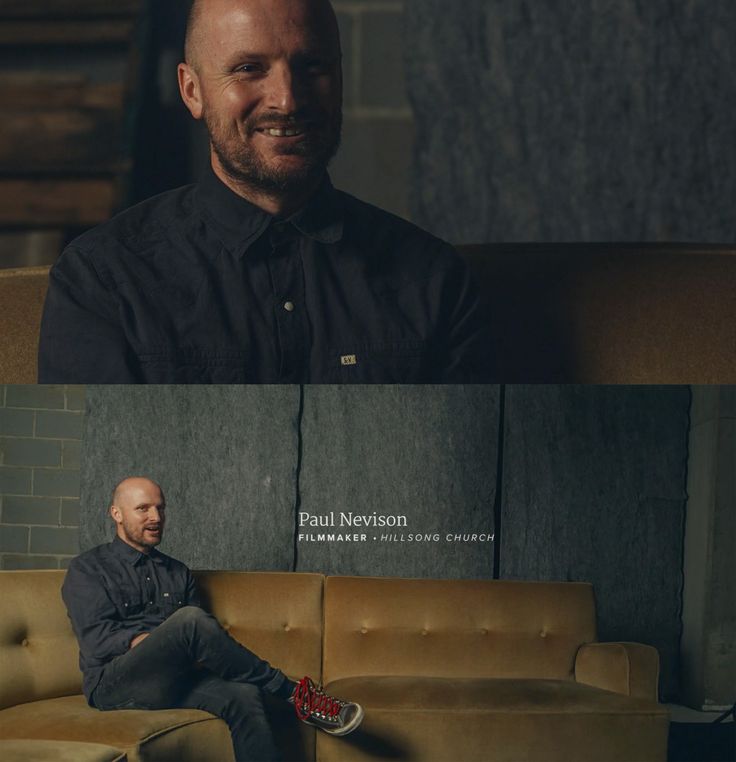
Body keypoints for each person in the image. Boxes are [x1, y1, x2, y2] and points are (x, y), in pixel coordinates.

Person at [37, 0, 492, 384]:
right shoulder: (103, 282)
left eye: (311, 65)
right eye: (249, 68)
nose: (287, 99)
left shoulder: (435, 281)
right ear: (192, 91)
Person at [61, 476, 364, 762]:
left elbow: (198, 648)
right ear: (116, 513)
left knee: (243, 693)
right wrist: (167, 644)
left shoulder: (177, 572)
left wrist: (175, 647)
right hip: (113, 685)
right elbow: (97, 641)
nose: (156, 517)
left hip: (174, 680)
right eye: (143, 509)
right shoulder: (88, 569)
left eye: (160, 508)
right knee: (190, 620)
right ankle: (293, 693)